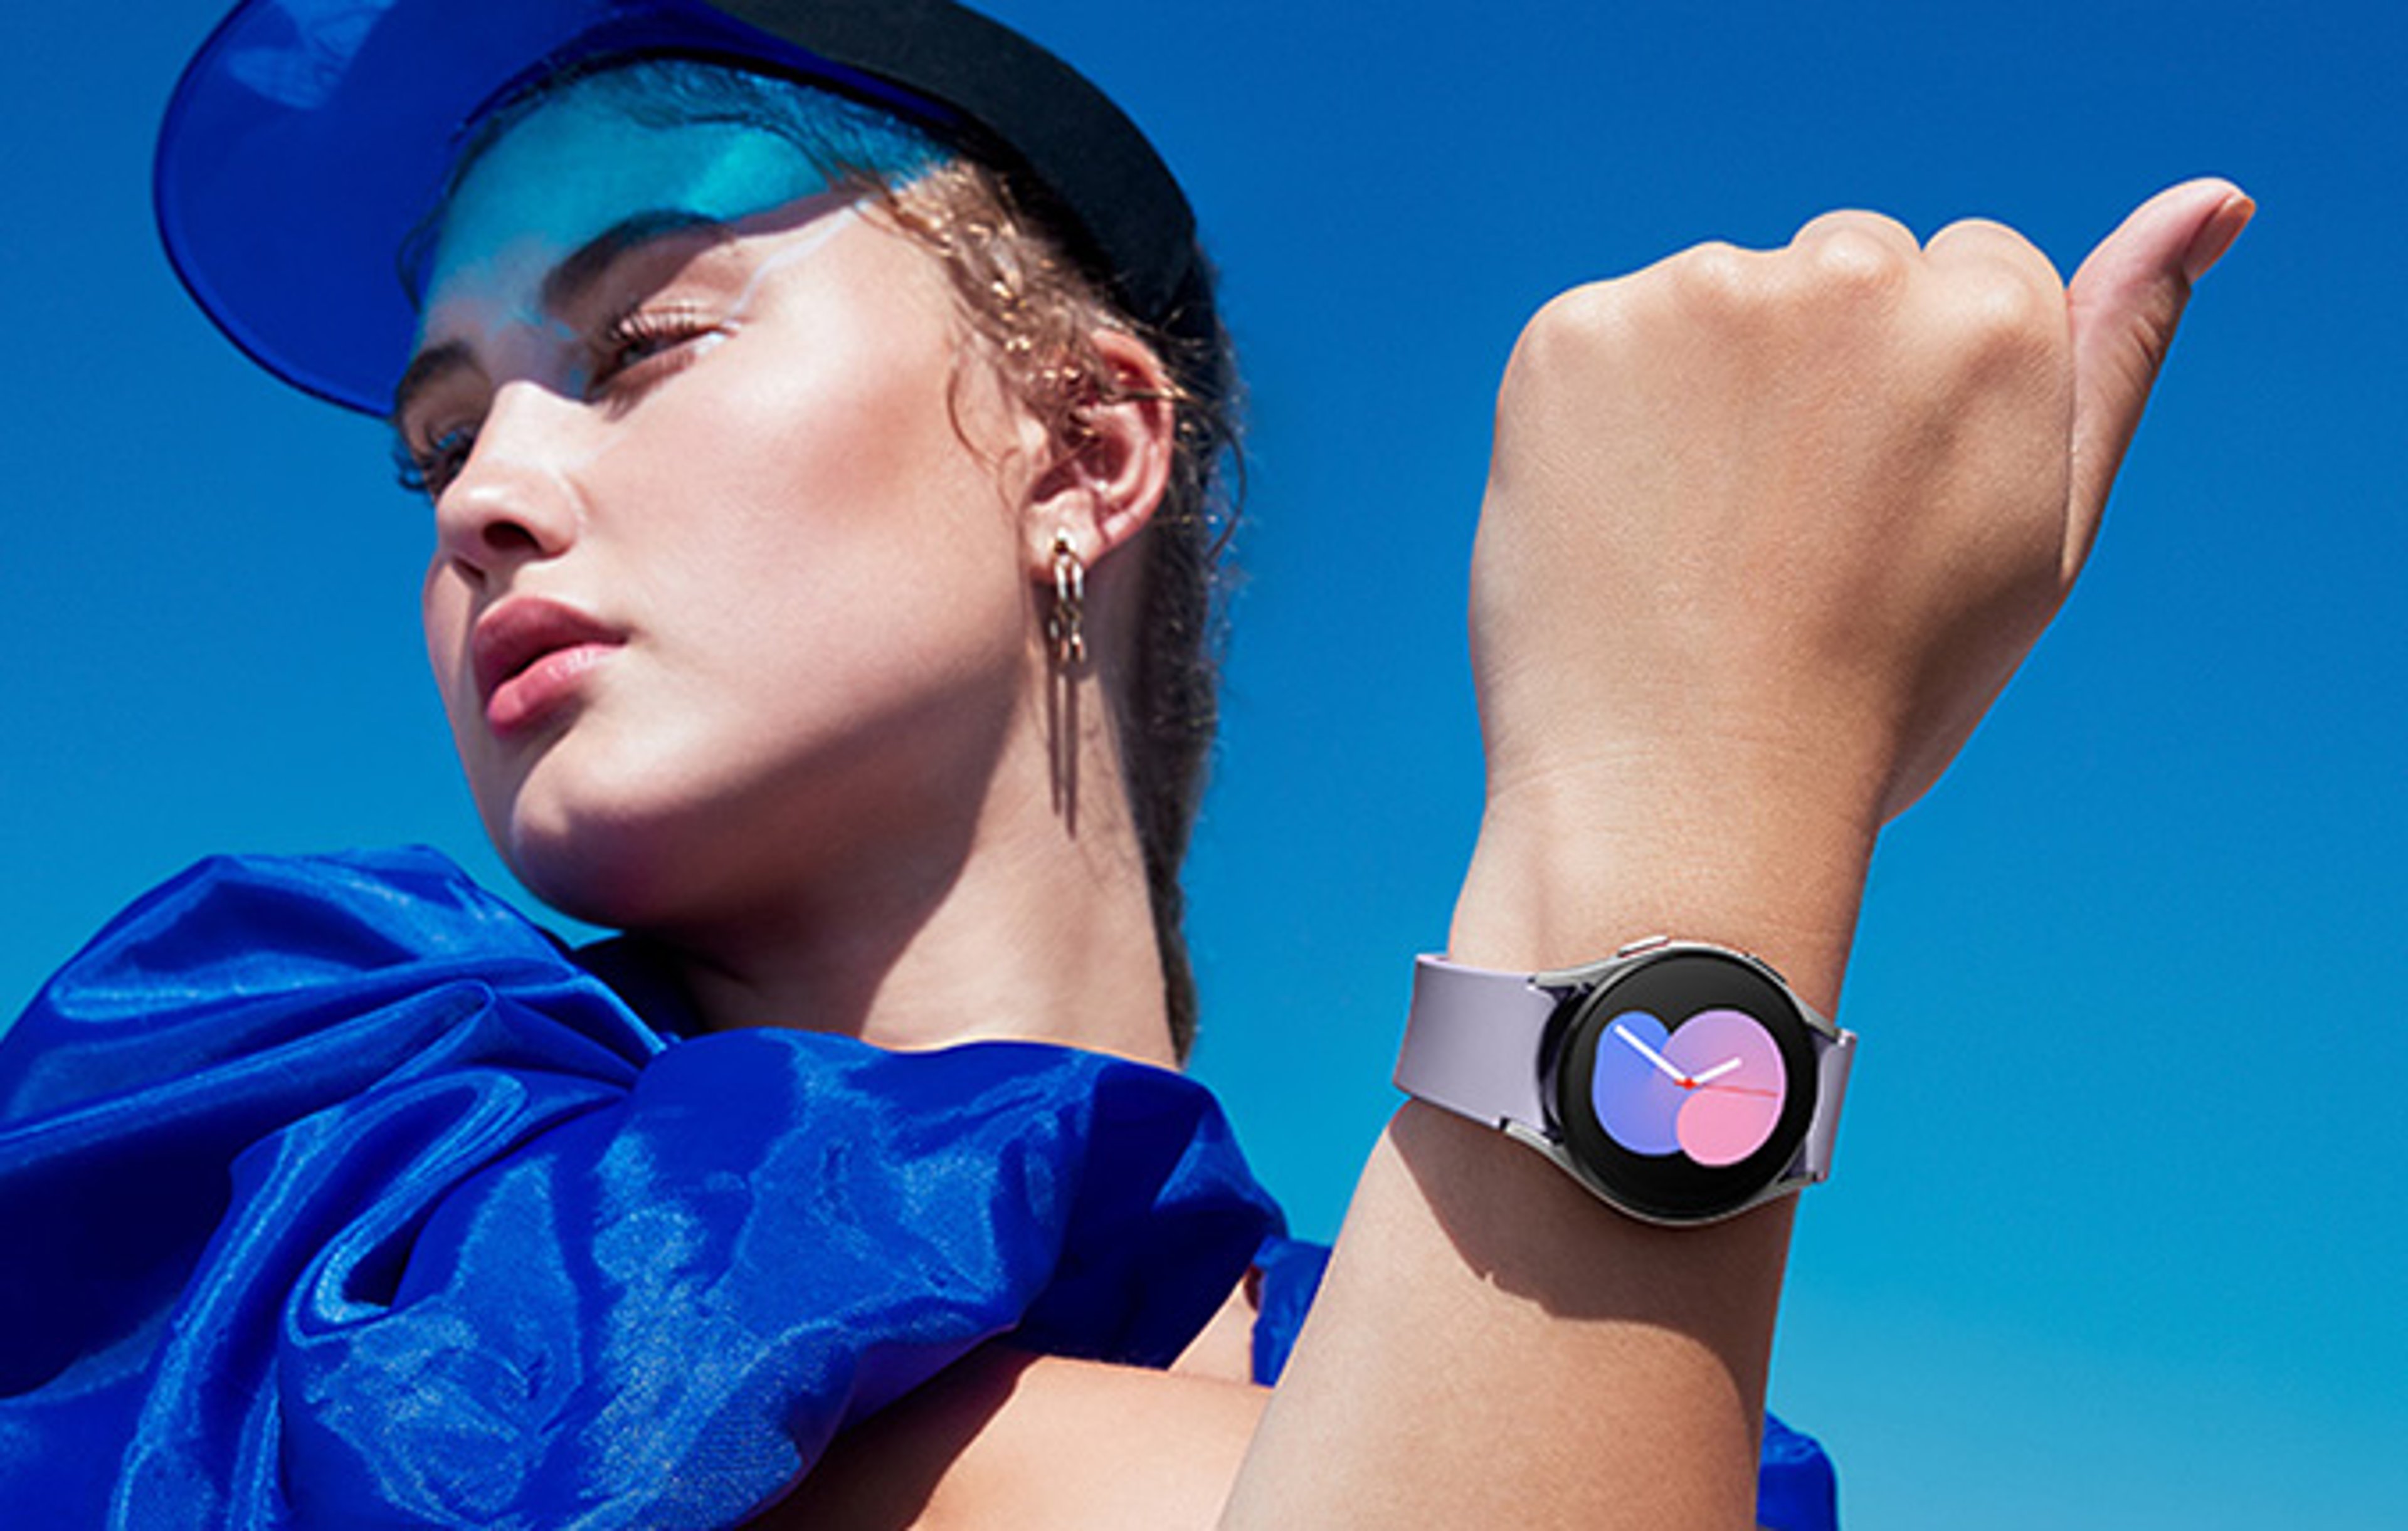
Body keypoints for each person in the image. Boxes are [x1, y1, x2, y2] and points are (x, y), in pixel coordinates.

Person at [0, 1, 2247, 1527]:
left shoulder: (1665, 1428)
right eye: (441, 439)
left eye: (645, 333)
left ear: (1086, 445)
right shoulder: (282, 1132)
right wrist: (1708, 765)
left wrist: (1705, 795)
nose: (486, 488)